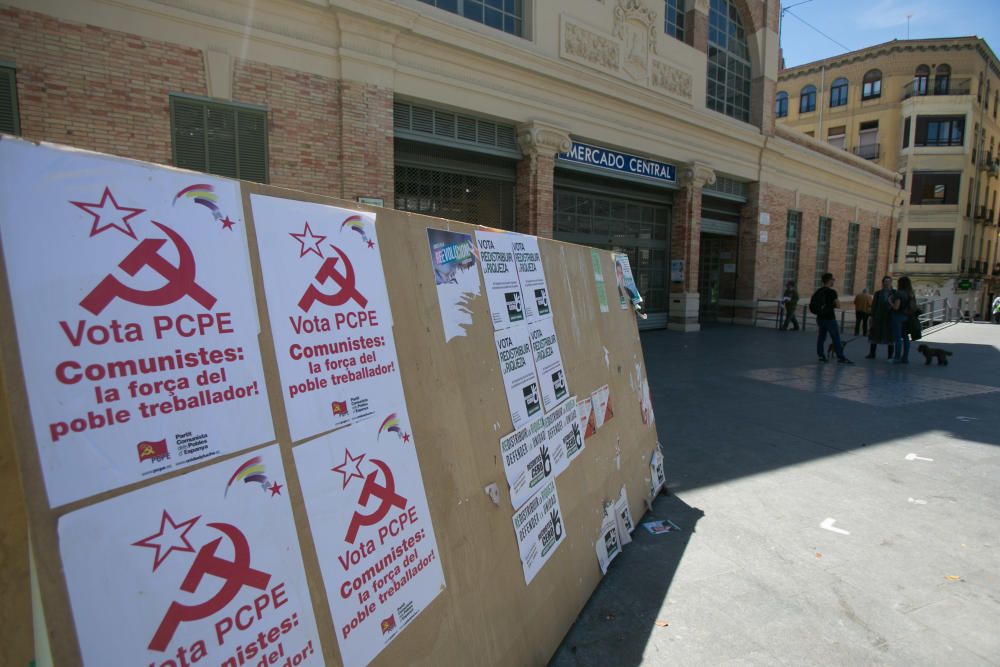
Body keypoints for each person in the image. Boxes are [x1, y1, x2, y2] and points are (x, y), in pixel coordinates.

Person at [811, 273, 852, 364]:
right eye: (833, 279)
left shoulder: (818, 291)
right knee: (835, 337)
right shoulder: (832, 292)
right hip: (829, 318)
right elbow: (838, 305)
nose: (834, 281)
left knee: (821, 337)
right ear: (829, 280)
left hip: (820, 318)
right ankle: (840, 357)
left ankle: (821, 356)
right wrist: (832, 305)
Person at [866, 276, 895, 360]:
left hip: (889, 318)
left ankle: (890, 355)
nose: (887, 283)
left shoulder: (894, 293)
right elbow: (874, 305)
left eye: (888, 281)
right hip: (878, 317)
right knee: (874, 335)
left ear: (891, 283)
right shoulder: (878, 293)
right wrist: (872, 316)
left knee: (890, 337)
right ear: (883, 283)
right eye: (885, 282)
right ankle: (872, 353)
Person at [889, 275, 916, 364]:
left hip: (897, 317)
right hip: (907, 317)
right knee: (905, 338)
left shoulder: (899, 293)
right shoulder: (911, 293)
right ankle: (905, 358)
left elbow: (896, 307)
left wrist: (890, 301)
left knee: (897, 338)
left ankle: (897, 357)